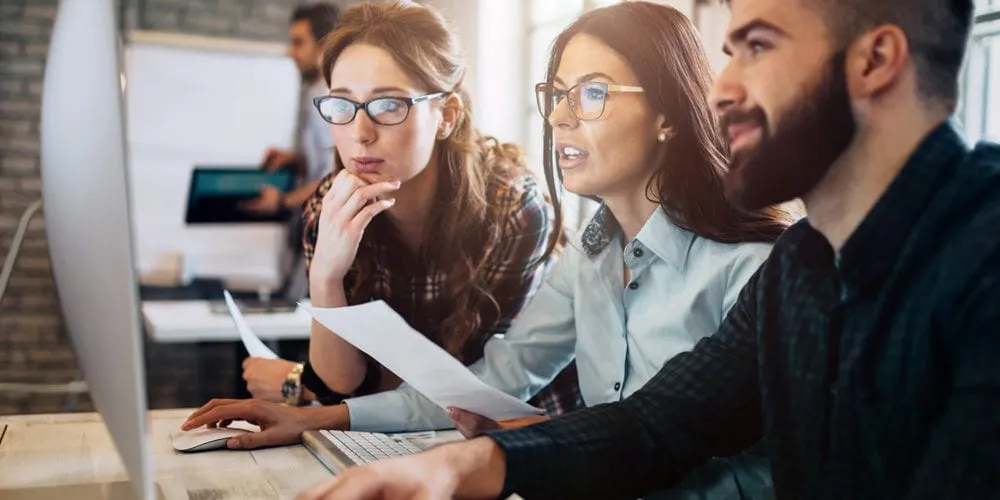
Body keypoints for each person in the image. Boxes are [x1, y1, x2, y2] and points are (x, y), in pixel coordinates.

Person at [288, 0, 1000, 498]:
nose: (720, 90)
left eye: (757, 47)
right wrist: (456, 467)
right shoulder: (801, 267)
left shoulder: (979, 258)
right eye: (729, 53)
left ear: (876, 59)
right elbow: (656, 425)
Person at [186, 3, 795, 498]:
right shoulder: (591, 258)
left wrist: (516, 450)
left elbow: (664, 438)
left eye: (591, 93)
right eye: (557, 94)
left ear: (668, 113)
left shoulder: (756, 271)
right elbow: (494, 378)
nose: (559, 117)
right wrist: (316, 417)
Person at [203, 0, 581, 420]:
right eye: (342, 105)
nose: (360, 133)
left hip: (523, 431)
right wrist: (326, 275)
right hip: (399, 432)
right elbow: (342, 381)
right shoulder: (328, 206)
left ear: (446, 116)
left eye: (388, 105)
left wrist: (297, 382)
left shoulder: (510, 208)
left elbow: (461, 389)